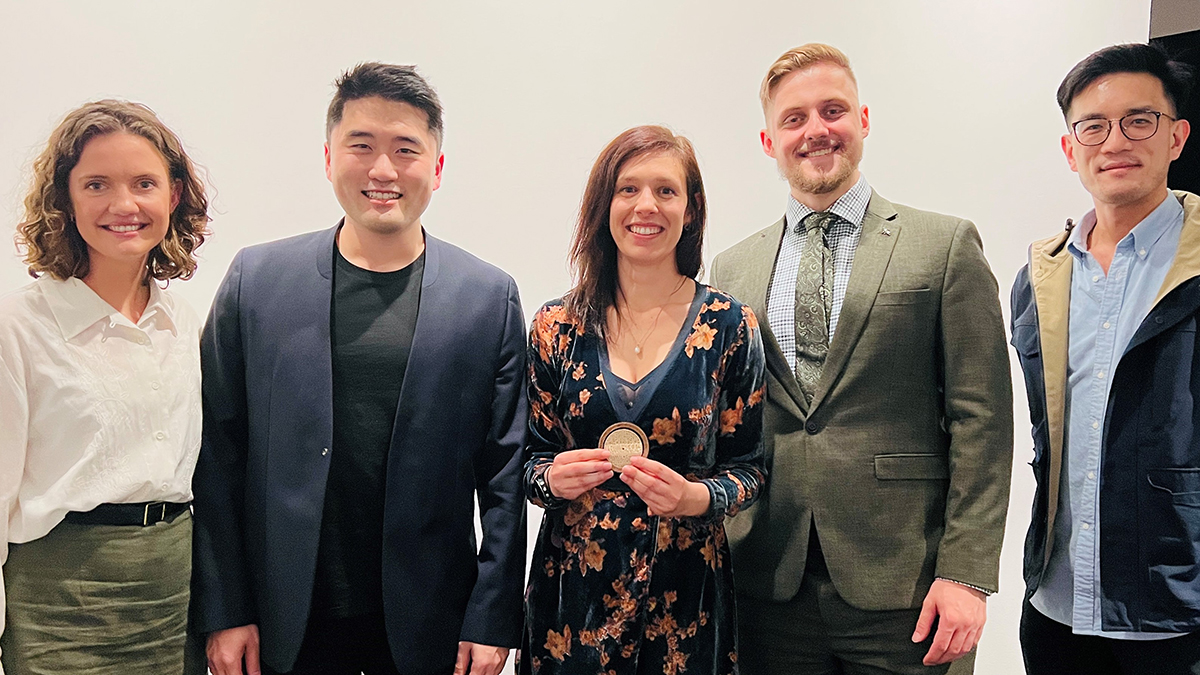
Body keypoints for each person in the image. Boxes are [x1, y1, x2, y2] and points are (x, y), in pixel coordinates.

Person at [190, 63, 528, 675]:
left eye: (406, 150)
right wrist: (225, 607)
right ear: (328, 158)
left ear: (438, 167)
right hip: (284, 619)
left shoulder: (488, 297)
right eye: (362, 146)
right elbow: (217, 455)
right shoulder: (256, 282)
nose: (382, 170)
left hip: (431, 621)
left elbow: (502, 475)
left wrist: (491, 613)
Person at [710, 43, 1013, 674]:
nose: (816, 130)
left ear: (864, 120)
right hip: (769, 580)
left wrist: (968, 572)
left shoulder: (944, 245)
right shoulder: (732, 267)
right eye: (794, 119)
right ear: (769, 141)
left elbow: (982, 422)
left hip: (910, 586)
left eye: (833, 110)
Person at [520, 125, 767, 674]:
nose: (645, 206)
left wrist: (696, 499)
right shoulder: (555, 326)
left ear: (691, 208)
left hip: (685, 603)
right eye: (628, 189)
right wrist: (549, 480)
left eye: (666, 190)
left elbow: (749, 469)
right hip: (572, 604)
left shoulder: (730, 325)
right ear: (603, 203)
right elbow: (526, 460)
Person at [0, 99, 210, 674]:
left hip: (174, 597)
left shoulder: (185, 323)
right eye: (96, 184)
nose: (124, 205)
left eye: (145, 183)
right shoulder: (17, 327)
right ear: (64, 201)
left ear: (173, 195)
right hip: (59, 603)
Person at [1012, 43, 1199, 675]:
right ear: (1071, 149)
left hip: (1178, 615)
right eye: (1092, 126)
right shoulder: (1041, 277)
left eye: (1138, 120)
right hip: (1055, 607)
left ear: (1176, 137)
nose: (1114, 140)